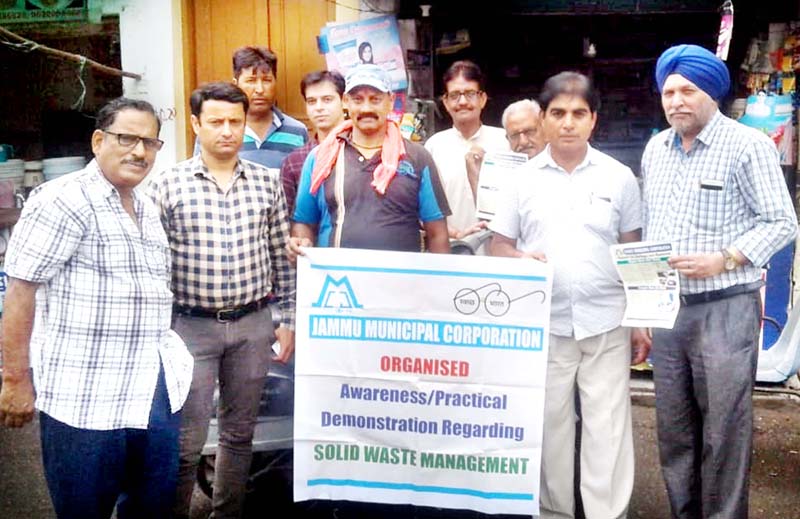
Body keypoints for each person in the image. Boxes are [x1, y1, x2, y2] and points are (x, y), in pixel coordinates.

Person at [0, 98, 192, 519]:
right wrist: (15, 380)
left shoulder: (145, 207)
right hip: (84, 397)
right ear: (98, 141)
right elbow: (20, 290)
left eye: (150, 143)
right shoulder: (62, 199)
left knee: (152, 507)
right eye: (127, 139)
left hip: (150, 390)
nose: (139, 152)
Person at [642, 44, 798, 518]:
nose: (676, 101)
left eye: (687, 91)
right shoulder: (656, 150)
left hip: (726, 309)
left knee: (724, 432)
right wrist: (644, 306)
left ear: (711, 93)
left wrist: (725, 259)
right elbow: (650, 230)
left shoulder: (747, 145)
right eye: (668, 92)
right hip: (669, 310)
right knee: (675, 431)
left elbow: (782, 223)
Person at [489, 72, 650, 519]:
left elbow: (633, 251)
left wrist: (640, 319)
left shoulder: (619, 178)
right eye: (558, 113)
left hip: (607, 321)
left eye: (579, 113)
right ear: (543, 118)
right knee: (549, 425)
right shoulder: (520, 181)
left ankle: (606, 513)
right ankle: (553, 511)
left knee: (607, 427)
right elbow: (499, 245)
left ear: (594, 119)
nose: (568, 123)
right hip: (545, 323)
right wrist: (519, 258)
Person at [148, 82, 296, 519]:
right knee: (186, 440)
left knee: (238, 434)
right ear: (196, 124)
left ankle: (226, 513)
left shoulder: (266, 183)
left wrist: (286, 318)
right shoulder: (167, 185)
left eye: (235, 121)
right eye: (216, 121)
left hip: (253, 324)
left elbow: (281, 256)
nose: (227, 130)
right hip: (189, 327)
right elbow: (153, 264)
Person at [289, 63, 450, 257]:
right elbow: (304, 222)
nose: (366, 108)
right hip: (337, 275)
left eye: (375, 99)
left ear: (390, 101)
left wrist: (440, 275)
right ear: (346, 102)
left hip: (400, 276)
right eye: (358, 99)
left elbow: (437, 233)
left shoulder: (417, 157)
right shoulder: (321, 157)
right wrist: (301, 244)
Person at [425, 60, 508, 240]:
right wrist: (457, 235)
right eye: (455, 95)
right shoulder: (434, 147)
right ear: (445, 102)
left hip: (499, 247)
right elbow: (425, 210)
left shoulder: (504, 141)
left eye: (470, 94)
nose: (462, 102)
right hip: (451, 247)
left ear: (482, 99)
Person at [280, 70, 346, 216]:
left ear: (344, 100)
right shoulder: (295, 161)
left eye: (327, 99)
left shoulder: (361, 149)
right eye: (311, 101)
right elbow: (288, 217)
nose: (319, 107)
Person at [231, 45, 308, 168]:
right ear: (236, 84)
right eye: (251, 81)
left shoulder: (297, 131)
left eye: (266, 80)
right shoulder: (222, 131)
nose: (260, 89)